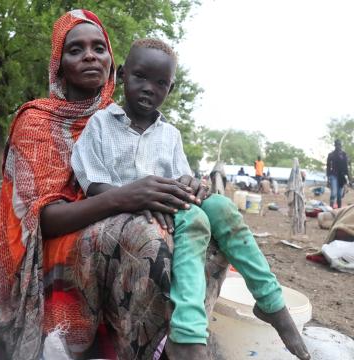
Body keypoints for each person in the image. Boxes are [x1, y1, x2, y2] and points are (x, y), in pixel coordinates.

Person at [71, 39, 310, 360]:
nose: (148, 88)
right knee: (196, 219)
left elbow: (182, 181)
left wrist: (191, 185)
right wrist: (138, 197)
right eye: (140, 77)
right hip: (120, 211)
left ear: (170, 88)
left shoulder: (170, 135)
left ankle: (272, 303)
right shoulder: (100, 124)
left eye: (160, 83)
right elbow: (94, 186)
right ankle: (188, 334)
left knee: (222, 207)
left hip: (169, 207)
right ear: (123, 74)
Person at [0, 11, 197, 360]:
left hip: (121, 216)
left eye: (99, 47)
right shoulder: (37, 121)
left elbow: (156, 175)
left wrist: (184, 189)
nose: (90, 55)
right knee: (145, 237)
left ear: (111, 63)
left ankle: (184, 339)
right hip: (57, 241)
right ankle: (137, 349)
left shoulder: (123, 114)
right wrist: (126, 198)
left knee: (201, 235)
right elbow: (41, 221)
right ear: (59, 66)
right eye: (75, 49)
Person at [326, 140, 350, 208]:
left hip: (341, 176)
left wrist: (348, 178)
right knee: (333, 193)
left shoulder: (344, 154)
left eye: (339, 145)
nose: (338, 146)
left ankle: (339, 210)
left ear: (341, 145)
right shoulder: (331, 155)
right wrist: (328, 179)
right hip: (333, 175)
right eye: (337, 145)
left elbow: (346, 166)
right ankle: (330, 210)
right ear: (335, 145)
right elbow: (328, 167)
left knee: (339, 195)